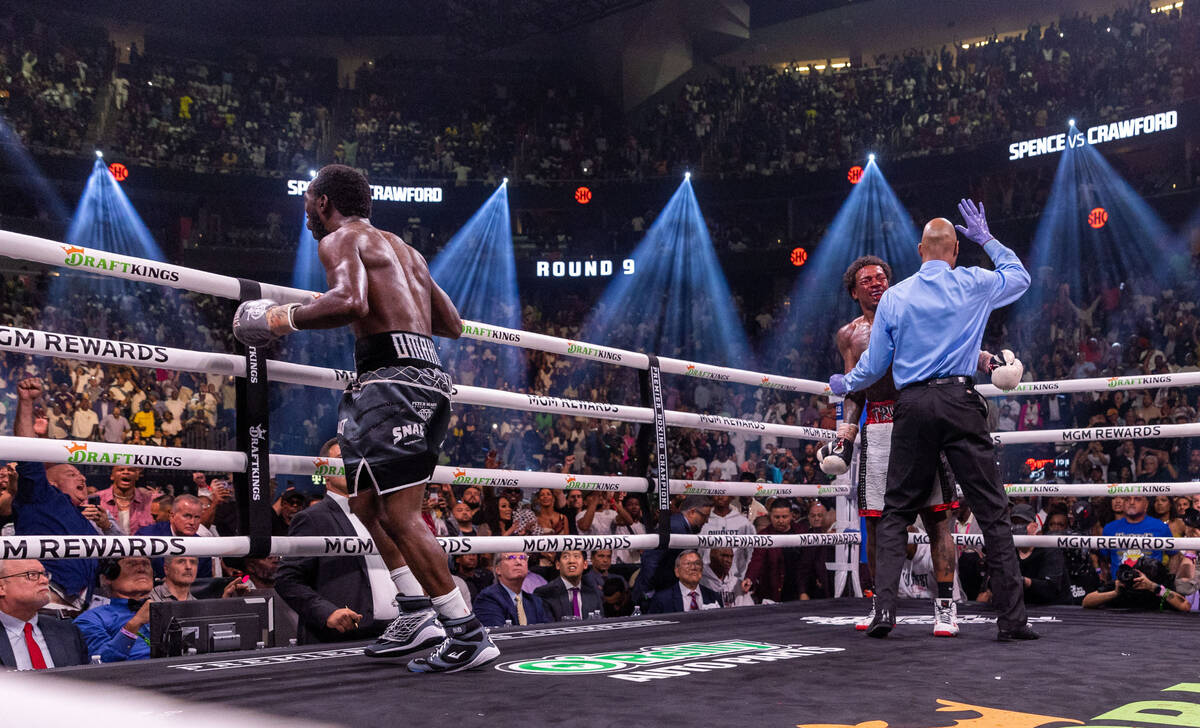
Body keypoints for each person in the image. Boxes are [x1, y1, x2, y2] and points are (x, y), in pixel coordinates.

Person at [233, 164, 496, 672]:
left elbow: (349, 301)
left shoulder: (339, 240)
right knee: (368, 506)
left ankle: (465, 631)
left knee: (399, 515)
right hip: (423, 379)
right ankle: (416, 611)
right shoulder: (406, 250)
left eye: (309, 202)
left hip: (392, 382)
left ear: (325, 201)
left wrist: (278, 318)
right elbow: (452, 325)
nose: (306, 213)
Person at [829, 199, 1037, 641]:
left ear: (920, 251)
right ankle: (1013, 622)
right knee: (992, 512)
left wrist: (843, 384)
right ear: (955, 251)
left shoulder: (897, 296)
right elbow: (1020, 278)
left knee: (895, 511)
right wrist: (988, 239)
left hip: (913, 406)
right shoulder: (975, 282)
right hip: (960, 401)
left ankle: (883, 612)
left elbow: (873, 366)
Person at [821, 255, 960, 636]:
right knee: (879, 524)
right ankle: (880, 604)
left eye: (882, 277)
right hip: (879, 426)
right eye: (867, 280)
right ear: (854, 291)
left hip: (919, 418)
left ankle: (945, 608)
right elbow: (853, 389)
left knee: (937, 518)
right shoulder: (849, 335)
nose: (877, 282)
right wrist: (846, 434)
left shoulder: (910, 314)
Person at [276, 439, 413, 647]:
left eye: (357, 459)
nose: (352, 464)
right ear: (325, 470)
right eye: (342, 459)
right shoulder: (313, 518)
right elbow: (287, 579)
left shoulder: (384, 516)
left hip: (397, 633)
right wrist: (327, 612)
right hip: (342, 638)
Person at [0, 559, 89, 669]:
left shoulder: (68, 631)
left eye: (44, 574)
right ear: (1, 587)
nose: (45, 580)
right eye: (32, 575)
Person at [74, 557, 156, 662]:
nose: (141, 569)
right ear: (109, 576)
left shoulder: (169, 610)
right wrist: (134, 625)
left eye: (146, 564)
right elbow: (101, 662)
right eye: (131, 564)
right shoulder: (90, 619)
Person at [1101, 495, 1173, 579]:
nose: (1131, 502)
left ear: (1146, 504)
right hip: (1119, 587)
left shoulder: (1160, 527)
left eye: (1137, 499)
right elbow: (1103, 558)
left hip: (1151, 587)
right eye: (1127, 499)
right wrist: (1109, 582)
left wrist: (1169, 580)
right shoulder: (1109, 528)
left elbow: (1174, 555)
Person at [473, 553, 551, 627]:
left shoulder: (535, 602)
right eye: (511, 558)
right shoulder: (487, 599)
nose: (518, 562)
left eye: (522, 558)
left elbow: (548, 633)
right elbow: (498, 637)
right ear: (498, 569)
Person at [534, 550, 603, 621]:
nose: (571, 561)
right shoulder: (545, 593)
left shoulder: (593, 594)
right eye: (566, 557)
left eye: (576, 556)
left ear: (585, 564)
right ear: (558, 565)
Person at [646, 551, 722, 613]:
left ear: (701, 571)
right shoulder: (662, 600)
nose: (693, 567)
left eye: (697, 563)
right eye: (688, 564)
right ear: (677, 572)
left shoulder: (714, 597)